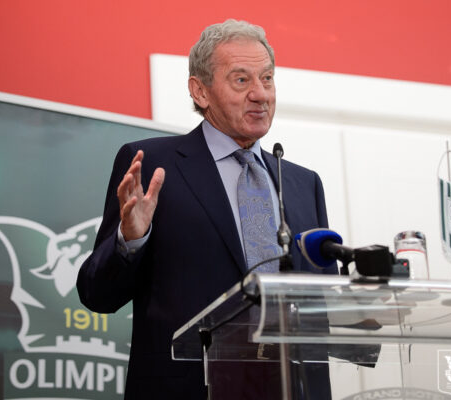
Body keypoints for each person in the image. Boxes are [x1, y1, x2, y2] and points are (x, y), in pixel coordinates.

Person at [77, 19, 337, 399]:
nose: (261, 94)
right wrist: (130, 240)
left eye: (267, 78)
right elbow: (97, 295)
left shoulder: (303, 183)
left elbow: (321, 307)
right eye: (241, 80)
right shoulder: (154, 167)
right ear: (200, 91)